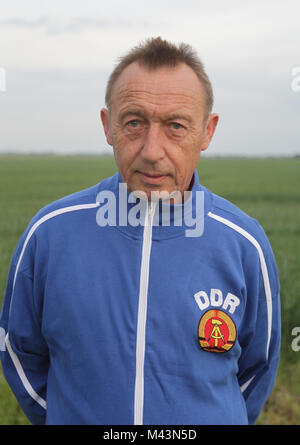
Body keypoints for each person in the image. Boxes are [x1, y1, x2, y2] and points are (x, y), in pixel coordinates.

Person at [0, 37, 280, 425]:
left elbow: (257, 369)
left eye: (176, 126)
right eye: (134, 122)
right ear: (108, 126)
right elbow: (20, 353)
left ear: (207, 131)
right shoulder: (49, 235)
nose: (151, 150)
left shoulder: (243, 243)